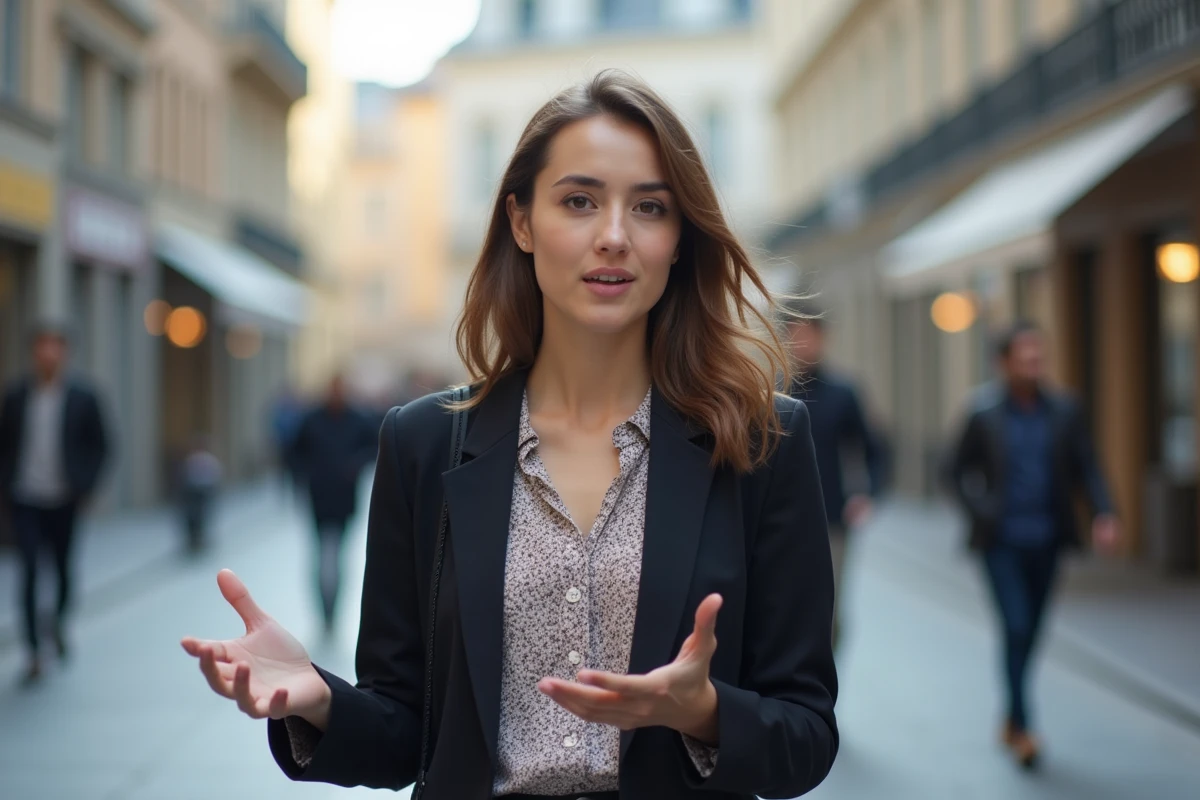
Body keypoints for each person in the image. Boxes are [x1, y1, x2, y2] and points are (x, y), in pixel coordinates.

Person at [182, 70, 838, 799]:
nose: (614, 236)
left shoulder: (763, 440)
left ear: (680, 238)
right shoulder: (424, 443)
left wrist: (708, 713)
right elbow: (406, 731)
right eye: (580, 201)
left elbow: (806, 734)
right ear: (522, 222)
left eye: (650, 207)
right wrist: (318, 699)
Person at [947, 320, 1118, 770]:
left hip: (1048, 540)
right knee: (1018, 626)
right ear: (1003, 363)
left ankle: (1010, 716)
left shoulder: (1065, 410)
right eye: (1024, 358)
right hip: (999, 542)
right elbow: (953, 470)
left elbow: (1088, 465)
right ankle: (1023, 726)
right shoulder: (982, 412)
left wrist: (1104, 513)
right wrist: (982, 511)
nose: (1033, 365)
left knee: (1032, 630)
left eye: (1038, 357)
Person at [0, 323, 109, 684]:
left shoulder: (83, 396)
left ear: (65, 353)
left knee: (62, 568)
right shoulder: (17, 396)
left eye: (54, 347)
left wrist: (86, 487)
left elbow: (103, 444)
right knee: (30, 569)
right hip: (25, 498)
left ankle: (57, 624)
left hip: (64, 499)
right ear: (33, 352)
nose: (48, 354)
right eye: (41, 346)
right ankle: (33, 649)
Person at [783, 300, 886, 650]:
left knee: (829, 607)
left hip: (832, 520)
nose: (804, 342)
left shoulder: (844, 393)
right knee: (787, 606)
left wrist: (866, 494)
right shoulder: (772, 392)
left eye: (809, 335)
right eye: (796, 334)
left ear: (822, 338)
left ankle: (823, 689)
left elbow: (875, 450)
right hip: (781, 519)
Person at [288, 374, 378, 634]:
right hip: (319, 498)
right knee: (322, 556)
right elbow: (293, 453)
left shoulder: (358, 419)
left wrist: (355, 467)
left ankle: (333, 610)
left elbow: (374, 448)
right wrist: (308, 474)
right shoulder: (312, 419)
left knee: (336, 557)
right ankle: (324, 611)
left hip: (344, 500)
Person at [176, 434, 223, 556]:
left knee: (202, 517)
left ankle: (200, 539)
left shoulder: (209, 460)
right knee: (191, 518)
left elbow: (215, 478)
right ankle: (192, 540)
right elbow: (184, 477)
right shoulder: (190, 460)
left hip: (204, 493)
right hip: (192, 493)